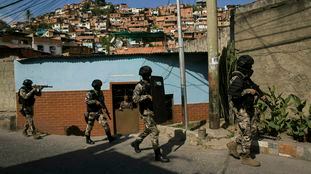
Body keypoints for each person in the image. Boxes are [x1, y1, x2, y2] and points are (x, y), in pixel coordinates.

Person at [227, 55, 266, 167]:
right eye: (250, 66)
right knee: (247, 130)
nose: (251, 68)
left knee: (252, 129)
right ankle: (246, 157)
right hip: (240, 107)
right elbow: (233, 94)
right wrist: (248, 91)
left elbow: (253, 85)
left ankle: (233, 144)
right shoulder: (237, 78)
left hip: (247, 106)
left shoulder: (244, 76)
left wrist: (261, 94)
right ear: (246, 66)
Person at [130, 65, 169, 163]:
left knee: (149, 129)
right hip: (146, 112)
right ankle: (157, 155)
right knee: (154, 131)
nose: (149, 76)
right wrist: (146, 96)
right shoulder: (139, 85)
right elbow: (135, 99)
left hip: (154, 110)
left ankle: (136, 142)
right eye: (148, 74)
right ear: (144, 75)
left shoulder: (153, 82)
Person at [85, 79, 114, 144]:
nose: (100, 87)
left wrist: (105, 109)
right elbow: (87, 101)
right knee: (89, 126)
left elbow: (102, 101)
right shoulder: (90, 93)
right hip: (92, 112)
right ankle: (88, 139)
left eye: (100, 86)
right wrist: (95, 101)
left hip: (99, 111)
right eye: (99, 86)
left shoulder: (101, 92)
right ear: (95, 86)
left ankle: (109, 137)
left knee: (105, 124)